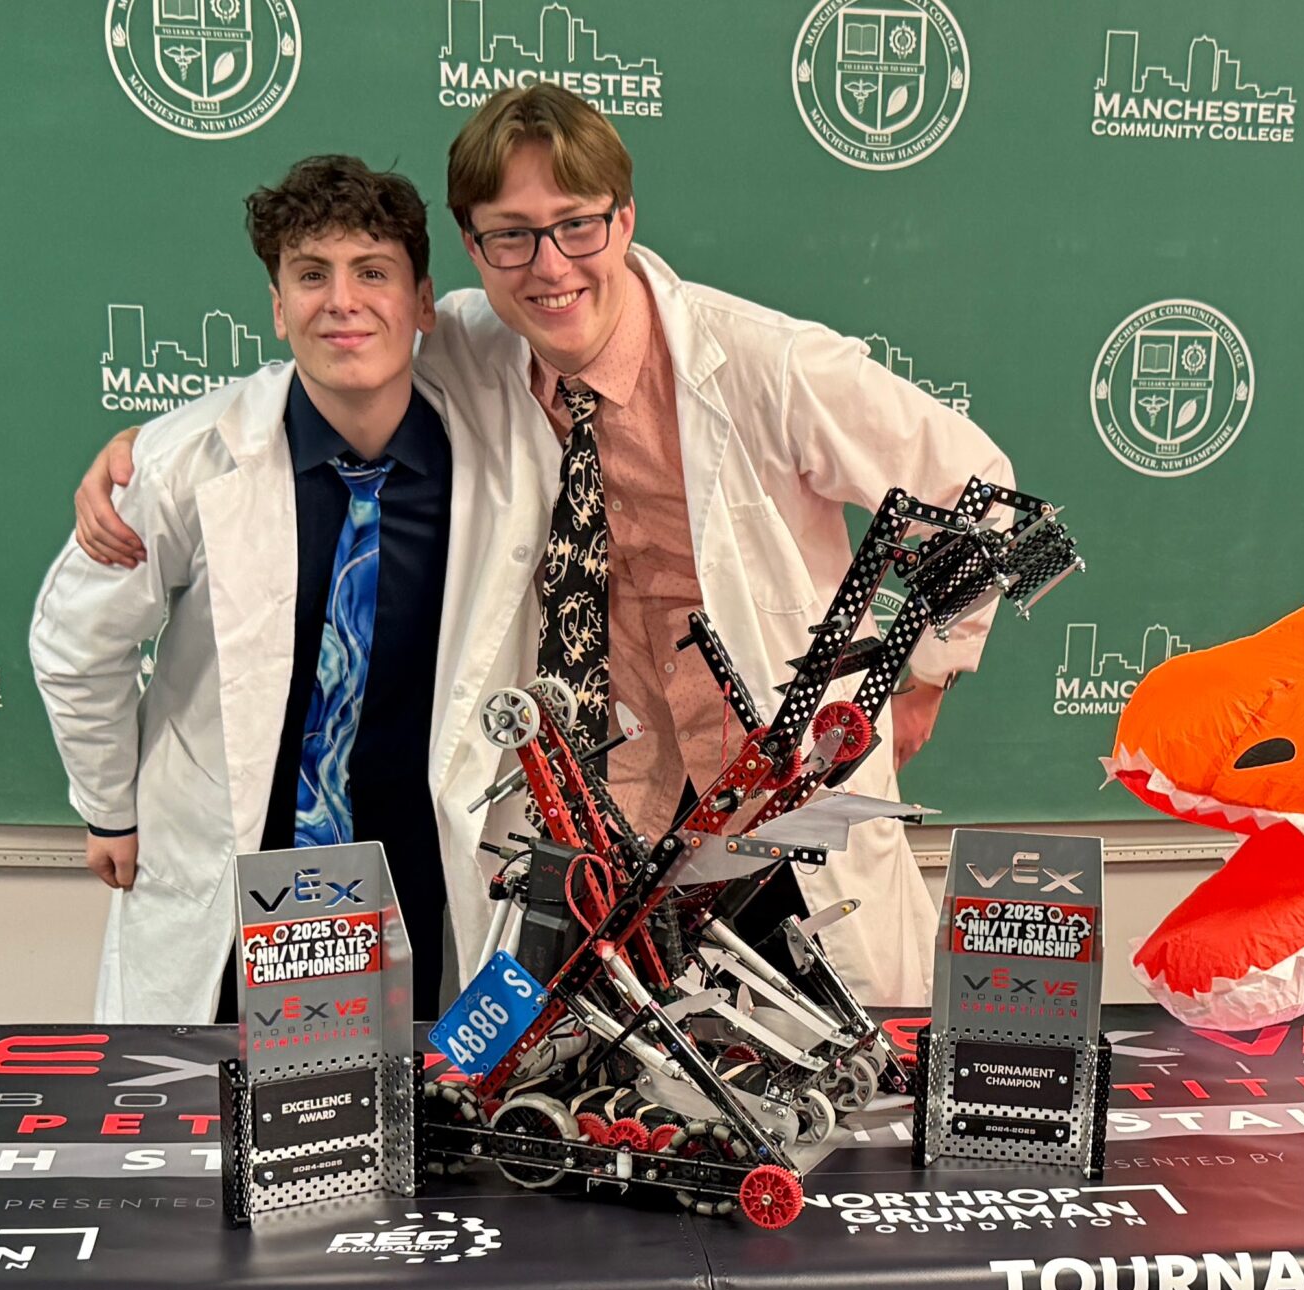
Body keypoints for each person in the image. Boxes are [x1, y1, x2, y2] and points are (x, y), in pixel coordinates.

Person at [71, 86, 1021, 1008]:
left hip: (766, 806)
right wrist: (149, 457)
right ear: (474, 252)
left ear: (625, 218)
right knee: (610, 1117)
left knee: (837, 1090)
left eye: (576, 224)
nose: (549, 265)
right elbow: (338, 350)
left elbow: (984, 495)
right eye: (510, 236)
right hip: (591, 826)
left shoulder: (768, 365)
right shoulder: (479, 342)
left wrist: (927, 670)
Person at [31, 155, 476, 1021]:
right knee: (215, 1126)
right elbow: (77, 640)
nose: (342, 301)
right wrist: (109, 807)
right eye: (311, 276)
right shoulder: (181, 461)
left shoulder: (493, 450)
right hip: (241, 875)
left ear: (424, 302)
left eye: (373, 272)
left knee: (404, 1132)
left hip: (419, 873)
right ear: (278, 308)